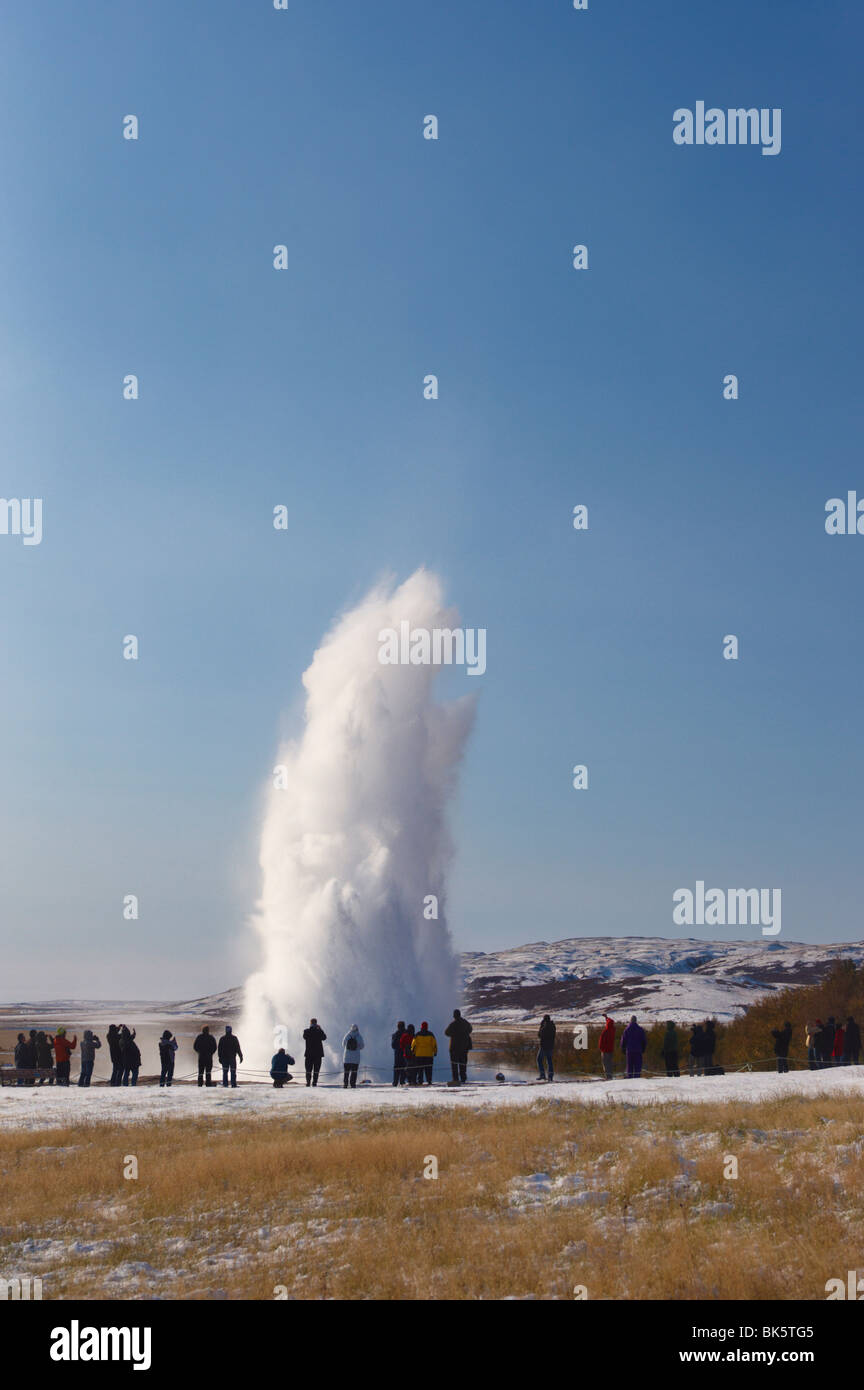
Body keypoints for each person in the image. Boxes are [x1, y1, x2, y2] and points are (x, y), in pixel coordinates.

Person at [444, 1008, 472, 1084]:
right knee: (463, 1064)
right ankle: (463, 1078)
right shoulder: (465, 1023)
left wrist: (454, 1034)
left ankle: (455, 1079)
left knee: (454, 1064)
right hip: (464, 1047)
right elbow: (470, 1029)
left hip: (454, 1048)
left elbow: (446, 1033)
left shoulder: (453, 1024)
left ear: (454, 1016)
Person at [303, 1018, 327, 1087]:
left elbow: (304, 1037)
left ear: (310, 1023)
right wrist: (320, 1029)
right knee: (316, 1070)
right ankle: (314, 1083)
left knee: (308, 1070)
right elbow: (324, 1037)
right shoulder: (319, 1031)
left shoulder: (306, 1031)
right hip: (318, 1054)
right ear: (316, 1023)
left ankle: (308, 1082)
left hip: (308, 1054)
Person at [536, 1015, 556, 1081]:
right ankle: (550, 1076)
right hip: (551, 1045)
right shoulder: (553, 1026)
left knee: (539, 1059)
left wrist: (541, 1026)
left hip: (544, 1046)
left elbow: (540, 1035)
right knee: (549, 1060)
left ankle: (542, 1075)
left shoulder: (544, 1026)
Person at [599, 1014, 616, 1080]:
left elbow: (600, 1042)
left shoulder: (605, 1032)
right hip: (611, 1051)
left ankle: (607, 1077)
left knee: (605, 1065)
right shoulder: (613, 1031)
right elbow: (610, 1022)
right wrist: (606, 1017)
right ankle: (610, 1076)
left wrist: (601, 1049)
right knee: (610, 1064)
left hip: (605, 1051)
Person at [391, 1021, 407, 1086]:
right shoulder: (407, 1033)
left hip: (397, 1054)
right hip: (405, 1053)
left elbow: (393, 1045)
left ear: (398, 1026)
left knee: (397, 1068)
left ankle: (395, 1082)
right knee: (404, 1067)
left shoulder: (395, 1034)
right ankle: (402, 1081)